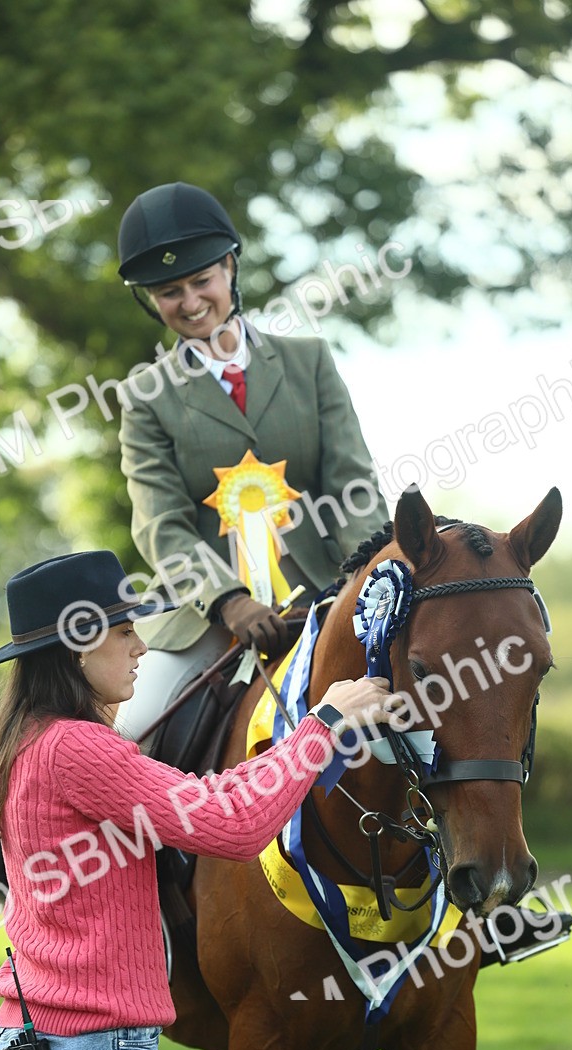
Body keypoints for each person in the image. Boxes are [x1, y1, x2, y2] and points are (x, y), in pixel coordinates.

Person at [0, 548, 401, 1050]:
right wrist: (324, 724)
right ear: (78, 648)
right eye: (125, 632)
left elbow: (209, 798)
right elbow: (235, 825)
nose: (142, 647)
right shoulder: (80, 748)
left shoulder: (29, 741)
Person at [115, 181, 389, 742]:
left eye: (201, 281)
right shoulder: (145, 397)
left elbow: (353, 487)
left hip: (327, 594)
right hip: (208, 620)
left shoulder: (309, 362)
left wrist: (364, 580)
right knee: (131, 729)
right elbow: (161, 525)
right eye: (169, 291)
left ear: (230, 268)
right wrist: (228, 601)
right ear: (150, 299)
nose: (191, 302)